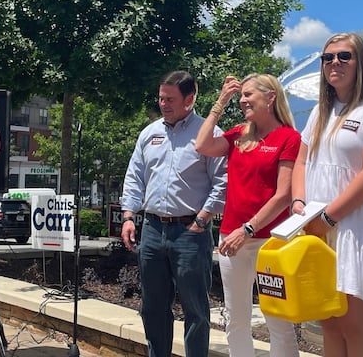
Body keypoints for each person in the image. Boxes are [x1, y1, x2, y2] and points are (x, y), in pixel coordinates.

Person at [291, 33, 363, 357]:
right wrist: (300, 204)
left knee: (356, 327)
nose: (334, 63)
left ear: (361, 63)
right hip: (319, 230)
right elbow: (302, 161)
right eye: (328, 58)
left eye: (344, 56)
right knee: (328, 323)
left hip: (358, 232)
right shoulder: (319, 112)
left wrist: (328, 217)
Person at [120, 70, 227, 357]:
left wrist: (202, 219)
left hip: (190, 233)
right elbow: (135, 178)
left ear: (190, 99)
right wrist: (129, 216)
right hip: (152, 230)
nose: (163, 104)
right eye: (160, 98)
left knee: (196, 310)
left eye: (170, 99)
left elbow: (222, 181)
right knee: (153, 307)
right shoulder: (149, 133)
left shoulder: (209, 134)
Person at [195, 73, 301, 357]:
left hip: (271, 241)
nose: (242, 101)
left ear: (270, 97)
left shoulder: (289, 138)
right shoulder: (238, 134)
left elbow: (284, 195)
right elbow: (202, 145)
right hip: (232, 237)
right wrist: (220, 102)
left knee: (278, 321)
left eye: (248, 95)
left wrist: (248, 230)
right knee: (236, 319)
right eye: (240, 96)